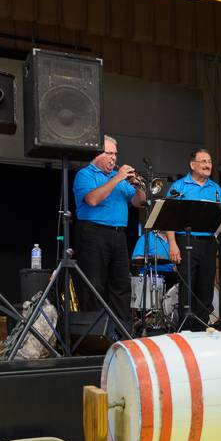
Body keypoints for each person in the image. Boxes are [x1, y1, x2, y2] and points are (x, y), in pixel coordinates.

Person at [73, 135, 146, 330]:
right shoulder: (85, 175)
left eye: (115, 154)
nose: (114, 158)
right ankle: (95, 333)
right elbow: (92, 199)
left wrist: (138, 187)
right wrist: (117, 178)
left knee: (121, 284)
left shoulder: (118, 178)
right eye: (109, 153)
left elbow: (139, 203)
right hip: (93, 233)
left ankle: (121, 331)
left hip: (118, 235)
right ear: (97, 154)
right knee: (94, 285)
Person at [165, 149, 221, 329]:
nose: (208, 165)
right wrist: (172, 244)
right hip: (186, 241)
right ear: (192, 165)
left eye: (210, 161)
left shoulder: (215, 188)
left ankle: (202, 328)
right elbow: (168, 217)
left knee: (206, 288)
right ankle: (185, 329)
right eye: (203, 161)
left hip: (209, 243)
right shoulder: (179, 186)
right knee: (187, 288)